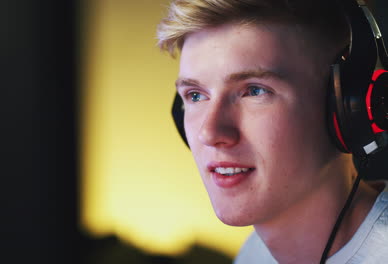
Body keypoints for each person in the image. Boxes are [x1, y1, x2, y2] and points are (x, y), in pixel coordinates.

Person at [157, 0, 388, 263]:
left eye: (255, 91)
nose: (209, 133)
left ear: (347, 107)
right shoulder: (253, 255)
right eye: (196, 95)